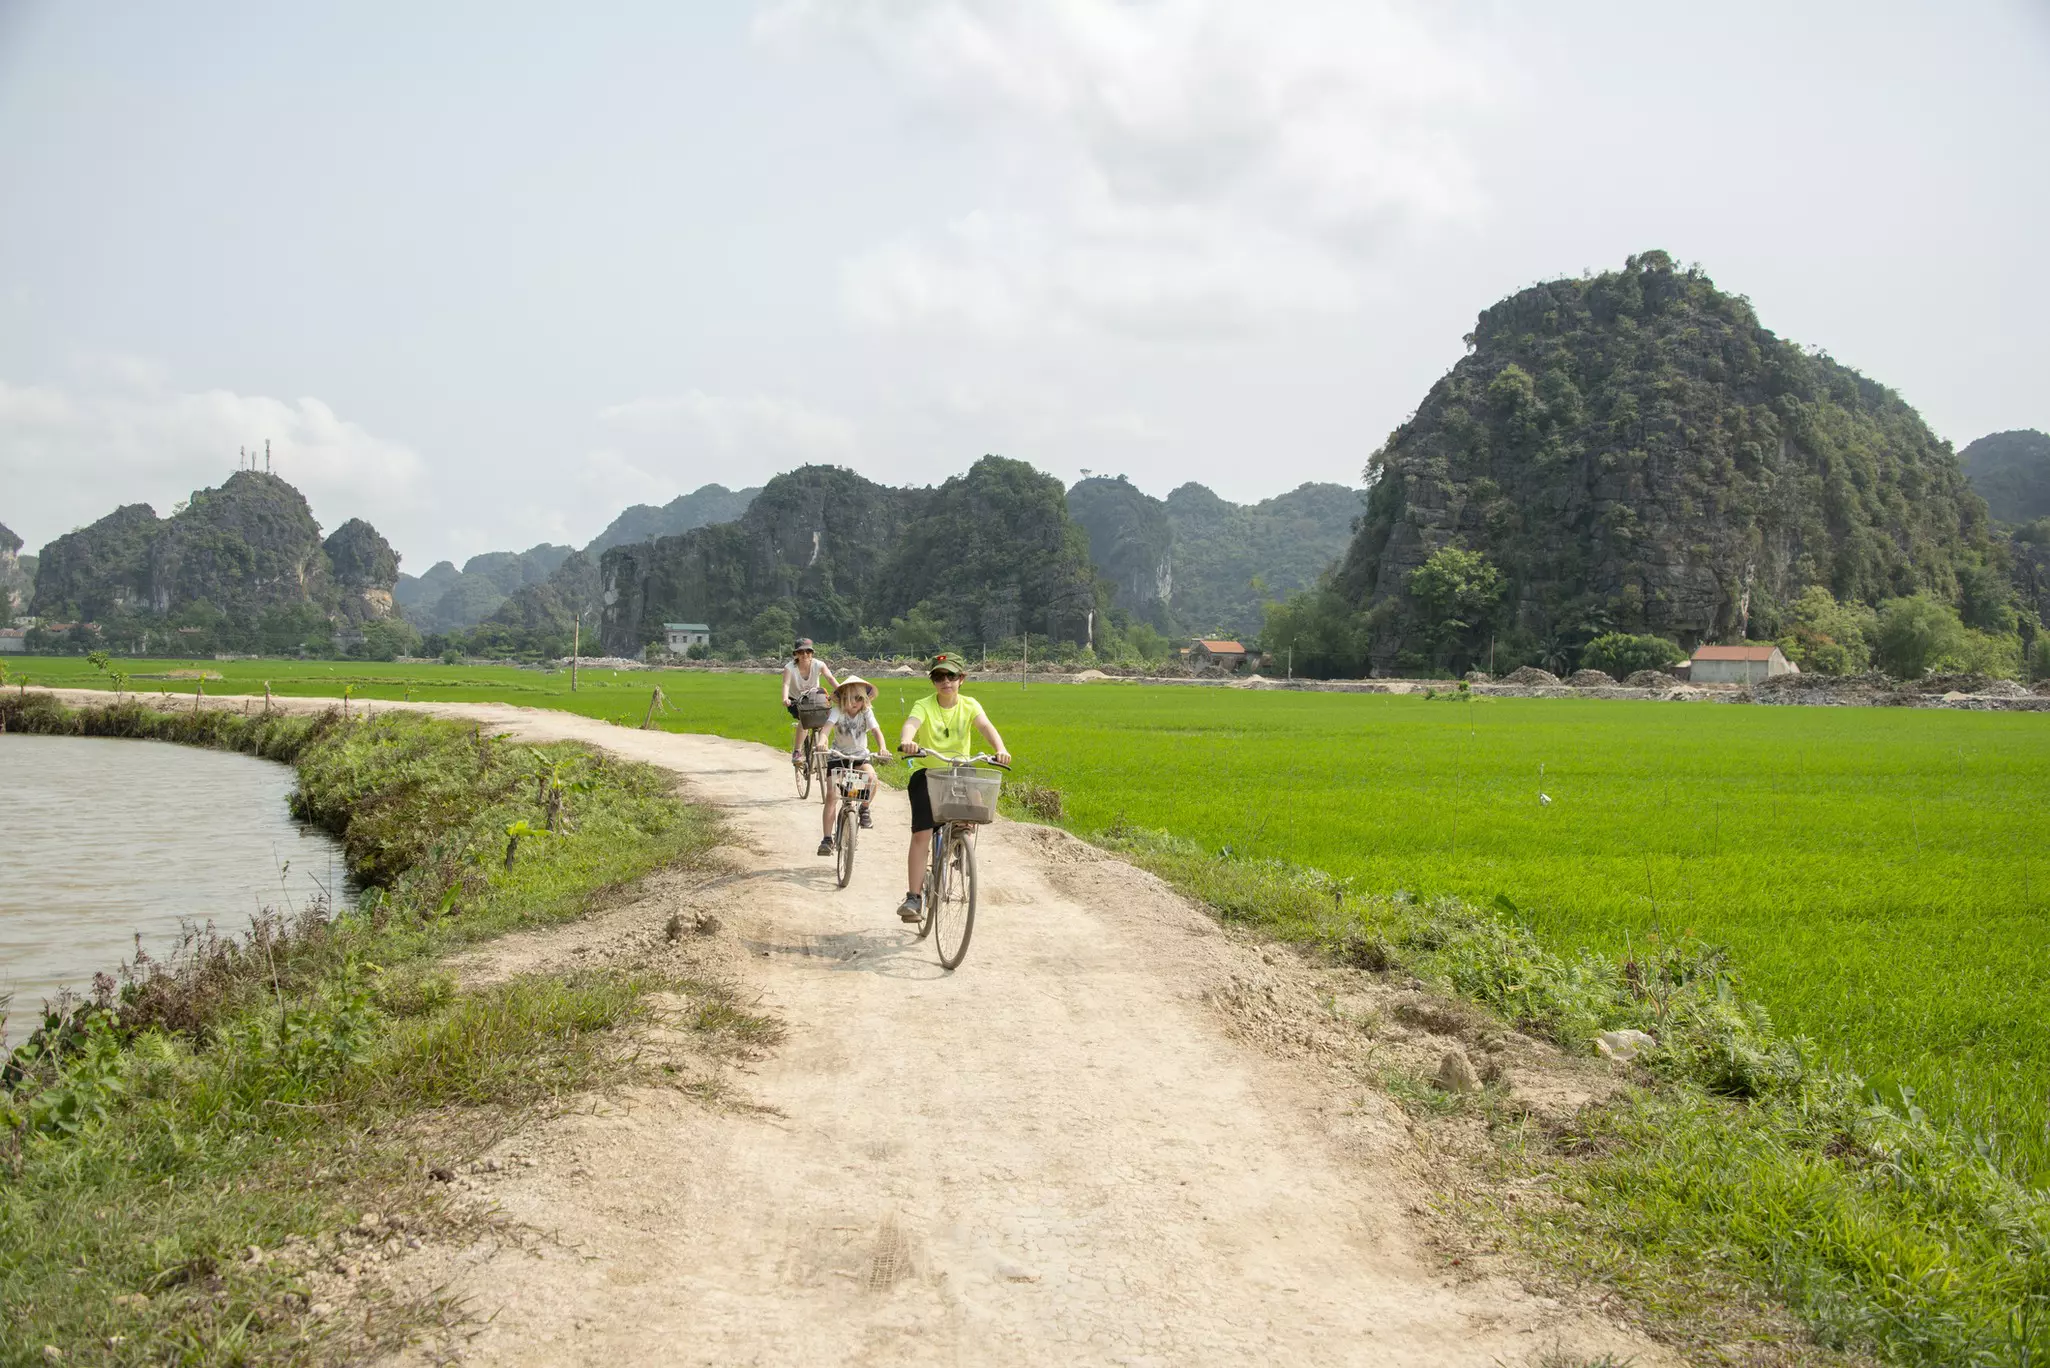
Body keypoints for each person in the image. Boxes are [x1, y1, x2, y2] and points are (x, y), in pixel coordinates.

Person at [895, 652, 1009, 923]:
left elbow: (985, 726)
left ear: (962, 679)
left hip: (960, 771)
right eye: (938, 676)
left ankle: (960, 841)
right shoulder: (924, 705)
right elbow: (911, 724)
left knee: (977, 799)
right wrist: (907, 740)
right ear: (933, 681)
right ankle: (914, 897)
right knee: (922, 834)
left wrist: (1000, 749)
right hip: (930, 773)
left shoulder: (970, 705)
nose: (945, 681)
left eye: (951, 676)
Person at [817, 675, 884, 856]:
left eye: (858, 698)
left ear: (864, 700)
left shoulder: (866, 713)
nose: (854, 703)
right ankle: (826, 839)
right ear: (842, 699)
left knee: (872, 778)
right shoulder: (837, 711)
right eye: (849, 698)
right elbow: (826, 729)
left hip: (860, 757)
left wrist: (883, 748)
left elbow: (876, 731)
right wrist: (822, 741)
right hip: (838, 757)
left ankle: (864, 808)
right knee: (832, 795)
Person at [780, 638, 838, 763]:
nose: (805, 655)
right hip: (796, 701)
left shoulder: (819, 665)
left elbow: (830, 678)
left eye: (808, 652)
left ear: (812, 653)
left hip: (814, 699)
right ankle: (797, 751)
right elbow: (786, 684)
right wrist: (785, 698)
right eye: (801, 652)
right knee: (805, 720)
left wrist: (841, 690)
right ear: (795, 654)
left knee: (826, 721)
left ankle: (823, 750)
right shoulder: (789, 668)